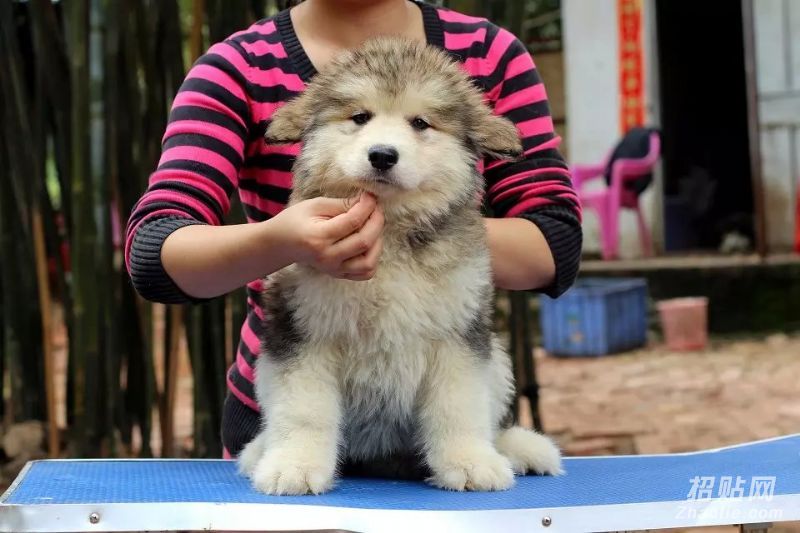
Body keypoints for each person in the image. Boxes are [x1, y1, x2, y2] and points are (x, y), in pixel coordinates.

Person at [124, 0, 583, 459]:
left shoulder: (488, 53)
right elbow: (154, 251)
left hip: (441, 428)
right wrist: (279, 242)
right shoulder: (237, 67)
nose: (385, 144)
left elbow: (555, 242)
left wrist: (423, 230)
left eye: (421, 123)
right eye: (358, 118)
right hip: (288, 422)